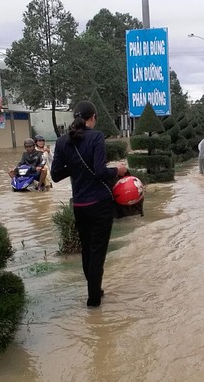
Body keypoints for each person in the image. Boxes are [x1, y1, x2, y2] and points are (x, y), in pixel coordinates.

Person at [50, 101, 127, 308]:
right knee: (98, 252)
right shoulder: (96, 137)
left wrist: (74, 166)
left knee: (87, 250)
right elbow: (101, 172)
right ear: (92, 117)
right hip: (100, 204)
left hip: (80, 206)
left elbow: (55, 175)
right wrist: (117, 171)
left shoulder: (62, 142)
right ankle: (93, 300)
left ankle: (95, 289)